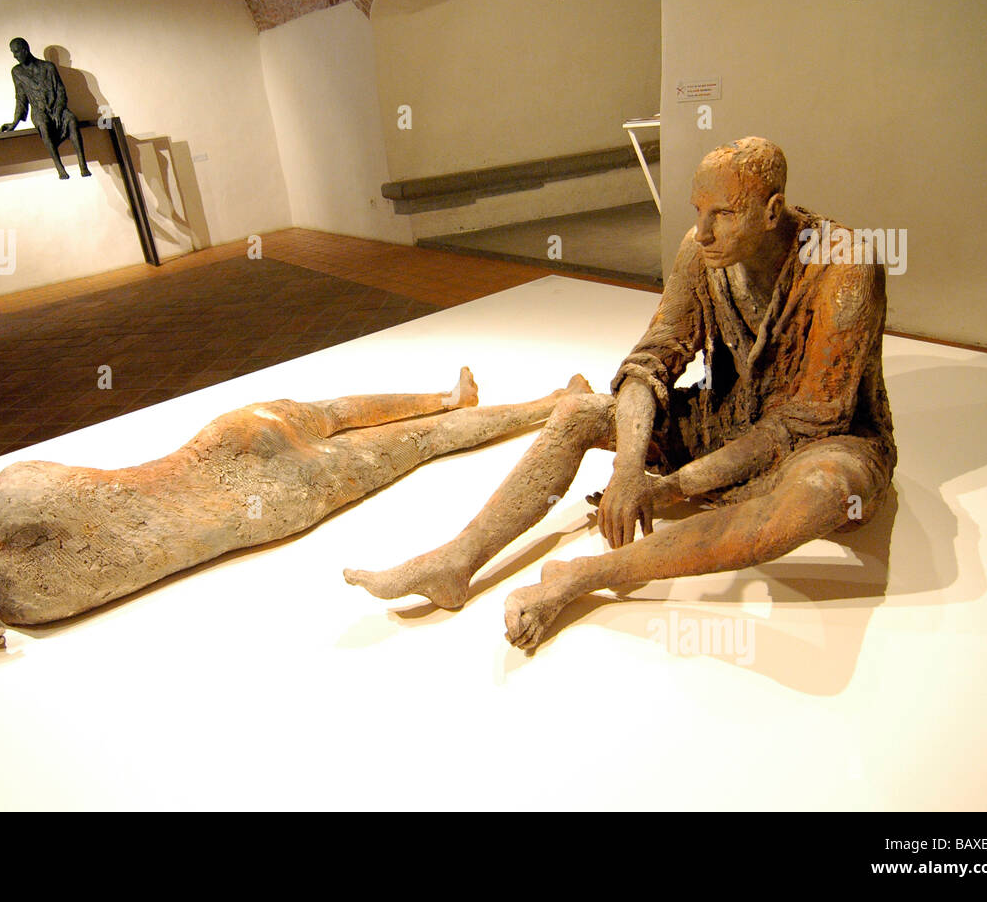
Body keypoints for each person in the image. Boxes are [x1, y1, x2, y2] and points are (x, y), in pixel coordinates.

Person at [345, 137, 897, 653]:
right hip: (724, 418)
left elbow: (802, 423)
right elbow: (650, 360)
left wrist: (675, 487)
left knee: (821, 494)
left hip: (826, 440)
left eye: (722, 215)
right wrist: (630, 467)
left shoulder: (845, 264)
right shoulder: (701, 253)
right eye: (696, 211)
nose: (702, 232)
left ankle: (585, 576)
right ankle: (457, 561)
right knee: (581, 411)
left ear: (772, 212)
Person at [0, 369, 591, 649]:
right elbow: (26, 522)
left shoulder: (30, 607)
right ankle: (453, 395)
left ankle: (542, 407)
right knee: (333, 410)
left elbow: (17, 566)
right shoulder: (10, 495)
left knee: (422, 445)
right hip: (221, 446)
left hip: (262, 507)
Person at [0, 37, 91, 179]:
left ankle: (83, 165)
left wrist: (59, 110)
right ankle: (60, 168)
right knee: (43, 125)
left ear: (25, 49)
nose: (15, 56)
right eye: (13, 52)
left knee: (71, 120)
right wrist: (14, 122)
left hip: (57, 108)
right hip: (39, 111)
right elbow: (21, 98)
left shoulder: (48, 67)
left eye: (17, 52)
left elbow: (61, 91)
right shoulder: (17, 72)